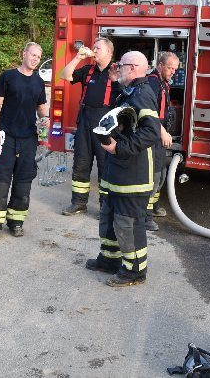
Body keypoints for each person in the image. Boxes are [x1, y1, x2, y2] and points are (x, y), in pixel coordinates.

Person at [84, 51, 161, 287]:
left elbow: (151, 132)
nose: (118, 67)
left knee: (128, 223)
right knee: (109, 217)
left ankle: (135, 271)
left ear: (134, 67)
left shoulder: (144, 94)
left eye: (122, 65)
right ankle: (109, 259)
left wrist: (120, 147)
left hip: (133, 174)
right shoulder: (128, 92)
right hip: (118, 173)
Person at [0, 42, 48, 239]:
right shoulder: (8, 77)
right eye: (33, 55)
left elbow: (41, 108)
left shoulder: (38, 82)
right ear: (24, 53)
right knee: (0, 180)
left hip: (28, 138)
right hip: (6, 136)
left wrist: (45, 118)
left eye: (39, 56)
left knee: (23, 182)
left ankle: (16, 222)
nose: (35, 59)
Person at [59, 37, 121, 216]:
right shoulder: (87, 70)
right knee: (81, 164)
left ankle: (105, 207)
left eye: (98, 47)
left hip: (105, 126)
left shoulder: (116, 72)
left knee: (105, 167)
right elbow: (64, 75)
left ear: (109, 52)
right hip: (85, 122)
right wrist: (78, 57)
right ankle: (78, 203)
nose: (94, 49)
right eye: (93, 46)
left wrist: (117, 80)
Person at [144, 51, 180, 231]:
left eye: (175, 69)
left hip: (159, 135)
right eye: (170, 67)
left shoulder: (163, 82)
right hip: (153, 134)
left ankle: (154, 206)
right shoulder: (152, 82)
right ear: (160, 65)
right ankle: (146, 216)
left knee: (162, 173)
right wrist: (163, 132)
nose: (173, 71)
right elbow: (149, 113)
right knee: (154, 175)